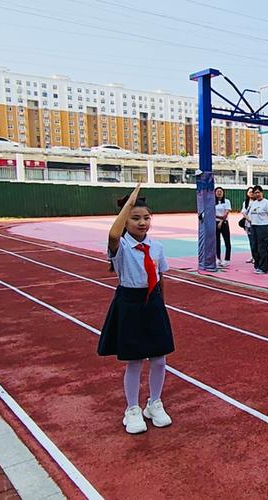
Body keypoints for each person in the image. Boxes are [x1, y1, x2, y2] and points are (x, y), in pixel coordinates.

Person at [98, 183, 174, 435]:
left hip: (152, 303)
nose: (142, 222)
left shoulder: (157, 247)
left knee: (159, 358)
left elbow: (161, 277)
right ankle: (132, 408)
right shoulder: (120, 248)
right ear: (125, 220)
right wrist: (128, 204)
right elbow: (112, 235)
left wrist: (160, 306)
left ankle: (155, 403)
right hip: (129, 303)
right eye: (135, 218)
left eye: (146, 218)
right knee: (134, 360)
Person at [242, 185, 268, 274]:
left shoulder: (267, 203)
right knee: (254, 247)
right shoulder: (253, 203)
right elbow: (247, 214)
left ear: (262, 193)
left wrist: (267, 226)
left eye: (258, 192)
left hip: (263, 227)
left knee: (262, 248)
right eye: (255, 193)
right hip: (254, 226)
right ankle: (257, 265)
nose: (257, 194)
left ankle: (264, 268)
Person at [214, 186, 232, 268]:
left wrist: (221, 221)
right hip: (215, 223)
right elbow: (211, 213)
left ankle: (227, 259)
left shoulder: (227, 201)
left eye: (221, 191)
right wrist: (218, 218)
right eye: (217, 191)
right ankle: (218, 258)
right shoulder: (212, 202)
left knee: (227, 241)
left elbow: (226, 213)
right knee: (217, 241)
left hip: (224, 223)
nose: (219, 192)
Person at [241, 187, 255, 264]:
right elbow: (243, 212)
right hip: (248, 225)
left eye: (252, 192)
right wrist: (249, 220)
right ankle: (253, 256)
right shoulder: (245, 202)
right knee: (251, 241)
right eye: (250, 192)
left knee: (255, 241)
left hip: (256, 224)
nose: (251, 193)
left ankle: (256, 257)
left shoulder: (257, 202)